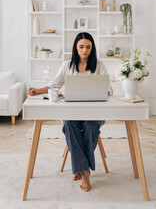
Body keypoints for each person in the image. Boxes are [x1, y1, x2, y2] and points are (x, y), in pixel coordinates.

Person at [27, 32, 113, 192]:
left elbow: (108, 90)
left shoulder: (99, 65)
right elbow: (54, 84)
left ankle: (81, 170)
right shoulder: (68, 65)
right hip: (72, 112)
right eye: (81, 47)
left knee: (90, 126)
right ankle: (85, 171)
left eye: (88, 47)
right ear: (76, 47)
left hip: (94, 114)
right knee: (68, 124)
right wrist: (37, 91)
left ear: (92, 47)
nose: (84, 50)